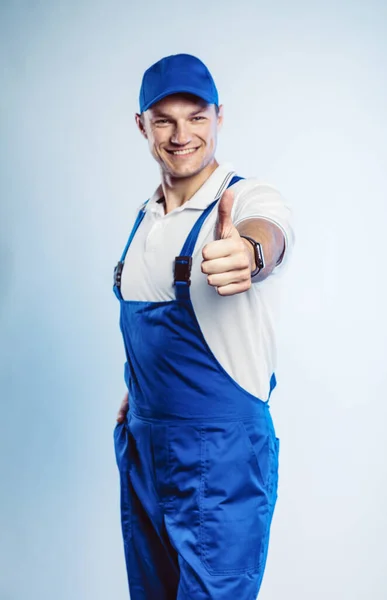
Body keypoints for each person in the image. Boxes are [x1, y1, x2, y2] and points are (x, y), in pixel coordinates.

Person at [113, 53, 294, 600]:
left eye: (196, 116)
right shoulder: (145, 218)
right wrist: (137, 390)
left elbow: (273, 234)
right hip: (146, 447)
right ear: (142, 125)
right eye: (164, 119)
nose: (181, 134)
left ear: (219, 118)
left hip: (221, 458)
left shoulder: (244, 199)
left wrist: (250, 250)